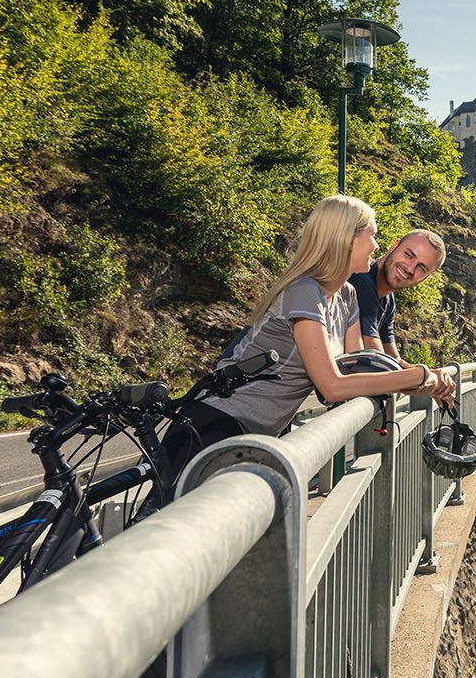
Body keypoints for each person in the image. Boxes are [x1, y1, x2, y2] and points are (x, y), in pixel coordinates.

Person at [158, 195, 456, 491]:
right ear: (345, 239)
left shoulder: (348, 296)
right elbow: (332, 386)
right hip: (217, 422)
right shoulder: (304, 291)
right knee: (167, 519)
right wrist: (420, 377)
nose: (376, 246)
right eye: (372, 236)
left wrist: (427, 382)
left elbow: (363, 370)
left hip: (258, 434)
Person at [349, 228, 446, 366]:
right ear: (394, 246)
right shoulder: (361, 281)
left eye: (422, 268)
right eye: (409, 255)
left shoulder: (388, 300)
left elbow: (394, 359)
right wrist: (420, 375)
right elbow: (377, 360)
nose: (410, 269)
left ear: (426, 277)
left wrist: (423, 370)